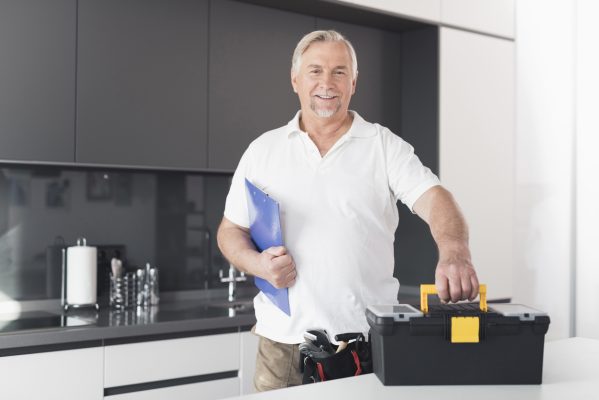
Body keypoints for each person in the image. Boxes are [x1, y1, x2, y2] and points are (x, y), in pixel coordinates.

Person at [217, 30, 480, 392]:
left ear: (353, 83)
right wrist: (258, 264)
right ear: (295, 80)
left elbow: (435, 199)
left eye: (339, 72)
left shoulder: (383, 147)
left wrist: (455, 251)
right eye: (315, 71)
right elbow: (230, 231)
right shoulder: (263, 150)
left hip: (368, 345)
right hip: (282, 351)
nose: (327, 83)